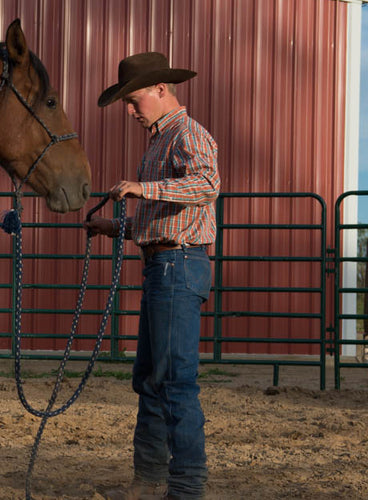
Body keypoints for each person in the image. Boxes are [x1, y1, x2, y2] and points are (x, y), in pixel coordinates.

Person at [85, 52, 220, 500]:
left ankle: (183, 489)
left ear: (161, 90)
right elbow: (165, 218)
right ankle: (148, 481)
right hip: (165, 265)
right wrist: (115, 228)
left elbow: (206, 185)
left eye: (133, 98)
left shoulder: (189, 135)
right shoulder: (161, 141)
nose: (129, 109)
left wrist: (143, 188)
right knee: (150, 377)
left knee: (174, 380)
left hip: (178, 268)